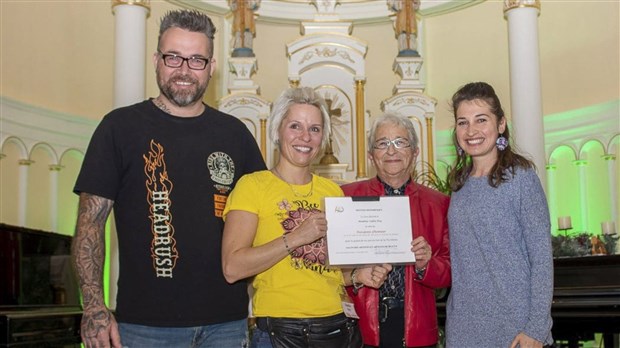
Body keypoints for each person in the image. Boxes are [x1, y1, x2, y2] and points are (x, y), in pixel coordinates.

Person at [72, 10, 266, 348]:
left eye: (196, 60)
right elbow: (90, 224)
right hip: (144, 327)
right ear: (156, 60)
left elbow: (265, 220)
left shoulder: (236, 135)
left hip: (227, 324)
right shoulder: (119, 128)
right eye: (173, 57)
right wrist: (93, 307)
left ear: (211, 67)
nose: (184, 71)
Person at [221, 87, 390, 348]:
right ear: (277, 130)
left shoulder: (332, 191)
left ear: (323, 138)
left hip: (336, 325)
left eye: (314, 129)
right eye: (295, 126)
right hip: (281, 330)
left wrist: (358, 275)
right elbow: (232, 268)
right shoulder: (252, 186)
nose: (305, 137)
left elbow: (331, 270)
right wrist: (295, 238)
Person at [445, 82, 553, 347]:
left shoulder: (521, 178)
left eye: (481, 120)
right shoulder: (459, 184)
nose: (471, 131)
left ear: (501, 124)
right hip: (464, 329)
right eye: (463, 122)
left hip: (516, 329)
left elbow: (541, 259)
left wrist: (536, 329)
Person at [341, 112, 451, 348]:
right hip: (360, 325)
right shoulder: (346, 198)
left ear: (415, 152)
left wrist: (426, 264)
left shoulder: (439, 204)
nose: (391, 151)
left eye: (400, 142)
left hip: (417, 326)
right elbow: (327, 269)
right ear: (371, 155)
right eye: (382, 144)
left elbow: (450, 270)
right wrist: (357, 275)